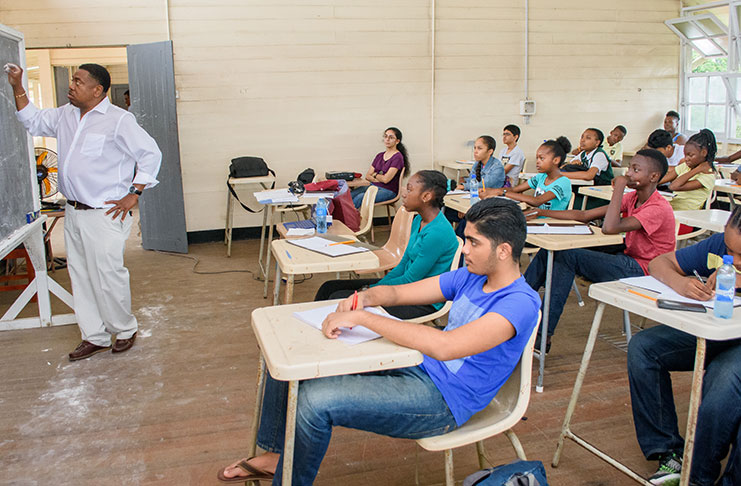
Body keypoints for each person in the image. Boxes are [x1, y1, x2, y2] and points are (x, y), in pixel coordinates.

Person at [217, 198, 540, 485]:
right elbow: (399, 293)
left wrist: (363, 318)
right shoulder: (471, 276)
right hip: (419, 368)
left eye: (473, 242)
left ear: (503, 250)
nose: (464, 249)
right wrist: (365, 298)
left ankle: (291, 477)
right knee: (288, 361)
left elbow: (446, 346)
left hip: (447, 402)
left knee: (315, 403)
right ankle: (276, 458)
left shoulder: (519, 303)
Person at [6, 63, 162, 361]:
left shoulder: (119, 120)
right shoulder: (65, 114)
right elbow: (33, 121)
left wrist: (135, 194)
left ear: (97, 90)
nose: (71, 85)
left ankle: (124, 329)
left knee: (108, 275)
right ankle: (95, 336)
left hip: (105, 213)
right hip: (74, 212)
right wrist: (18, 87)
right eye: (72, 79)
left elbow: (150, 154)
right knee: (81, 276)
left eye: (78, 81)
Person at [628, 206, 741, 486]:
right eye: (730, 251)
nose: (734, 261)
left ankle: (697, 476)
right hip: (715, 331)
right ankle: (670, 452)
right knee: (644, 348)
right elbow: (659, 263)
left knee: (723, 380)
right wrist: (681, 283)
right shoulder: (722, 245)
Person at [523, 149, 675, 351]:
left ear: (654, 177)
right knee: (550, 251)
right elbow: (585, 214)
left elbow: (609, 227)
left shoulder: (657, 207)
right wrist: (542, 212)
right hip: (627, 256)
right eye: (629, 168)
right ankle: (517, 305)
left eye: (635, 169)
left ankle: (543, 336)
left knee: (567, 256)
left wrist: (619, 188)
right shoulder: (633, 198)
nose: (628, 173)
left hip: (646, 270)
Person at [314, 170, 459, 319]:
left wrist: (371, 292)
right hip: (405, 289)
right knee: (329, 287)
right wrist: (375, 288)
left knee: (338, 297)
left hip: (422, 301)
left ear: (426, 196)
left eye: (409, 190)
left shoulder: (437, 233)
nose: (404, 194)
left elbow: (411, 280)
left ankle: (329, 329)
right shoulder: (419, 220)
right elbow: (403, 265)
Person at [483, 136, 573, 212]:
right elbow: (515, 189)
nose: (537, 162)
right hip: (535, 218)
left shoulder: (563, 182)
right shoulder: (541, 177)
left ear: (556, 160)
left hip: (551, 224)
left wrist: (502, 192)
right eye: (537, 158)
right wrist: (491, 191)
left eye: (542, 158)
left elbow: (537, 201)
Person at [659, 128, 717, 212]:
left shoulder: (708, 176)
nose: (686, 159)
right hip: (672, 210)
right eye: (685, 155)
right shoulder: (686, 166)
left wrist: (697, 169)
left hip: (686, 216)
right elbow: (662, 180)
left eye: (690, 155)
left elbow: (673, 186)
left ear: (704, 152)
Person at [351, 127, 410, 208]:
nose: (387, 139)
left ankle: (349, 219)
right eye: (385, 136)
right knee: (350, 195)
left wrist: (375, 175)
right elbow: (368, 176)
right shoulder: (379, 155)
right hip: (373, 186)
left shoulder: (398, 157)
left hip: (389, 191)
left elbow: (386, 180)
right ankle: (341, 218)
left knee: (360, 197)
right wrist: (378, 178)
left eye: (391, 137)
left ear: (397, 141)